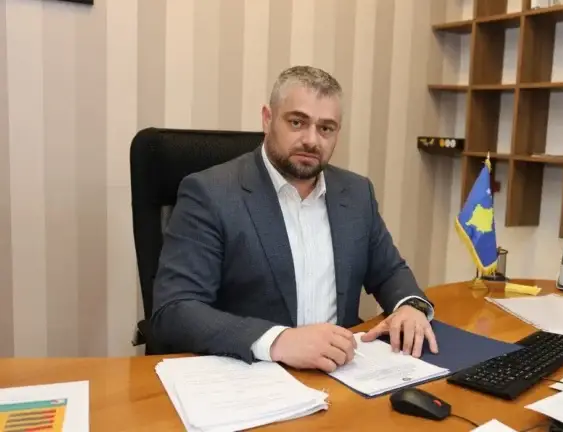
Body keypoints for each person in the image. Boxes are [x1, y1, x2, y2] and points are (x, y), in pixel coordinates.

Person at [150, 65, 438, 373]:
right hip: (252, 373)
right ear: (267, 119)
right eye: (297, 122)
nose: (311, 140)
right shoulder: (210, 193)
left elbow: (389, 271)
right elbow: (175, 310)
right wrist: (278, 341)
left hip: (340, 374)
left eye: (326, 128)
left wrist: (410, 306)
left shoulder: (356, 194)